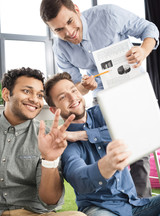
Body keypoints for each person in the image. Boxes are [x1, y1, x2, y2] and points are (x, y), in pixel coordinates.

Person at [40, 0, 159, 198]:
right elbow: (75, 89)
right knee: (106, 143)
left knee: (138, 150)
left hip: (133, 89)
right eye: (59, 29)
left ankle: (141, 201)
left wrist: (144, 50)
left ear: (76, 10)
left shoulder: (108, 15)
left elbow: (149, 28)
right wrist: (84, 87)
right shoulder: (60, 49)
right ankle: (112, 198)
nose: (68, 32)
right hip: (103, 98)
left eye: (70, 21)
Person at [44, 72, 160, 216]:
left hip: (133, 206)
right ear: (55, 110)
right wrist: (107, 165)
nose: (72, 97)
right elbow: (80, 179)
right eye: (63, 97)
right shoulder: (65, 145)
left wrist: (83, 134)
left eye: (73, 90)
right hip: (99, 211)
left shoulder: (102, 113)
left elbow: (129, 127)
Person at [0, 67, 95, 216]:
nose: (34, 99)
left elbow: (50, 201)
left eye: (39, 95)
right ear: (6, 94)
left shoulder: (45, 137)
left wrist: (49, 160)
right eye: (26, 91)